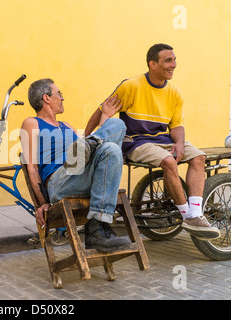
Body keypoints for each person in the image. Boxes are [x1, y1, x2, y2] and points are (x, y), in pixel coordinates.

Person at [85, 43, 220, 240]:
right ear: (152, 64)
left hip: (162, 139)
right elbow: (101, 112)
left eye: (175, 60)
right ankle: (187, 216)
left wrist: (180, 143)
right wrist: (87, 141)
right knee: (168, 161)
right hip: (135, 142)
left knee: (199, 157)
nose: (173, 65)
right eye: (168, 60)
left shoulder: (175, 92)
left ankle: (196, 214)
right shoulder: (131, 85)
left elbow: (177, 125)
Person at [20, 78, 131, 252]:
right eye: (59, 94)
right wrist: (42, 203)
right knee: (96, 148)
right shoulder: (31, 123)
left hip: (81, 174)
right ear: (46, 98)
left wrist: (105, 117)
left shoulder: (67, 126)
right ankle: (89, 142)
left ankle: (96, 230)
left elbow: (97, 151)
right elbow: (32, 167)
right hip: (60, 181)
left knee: (115, 135)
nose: (63, 98)